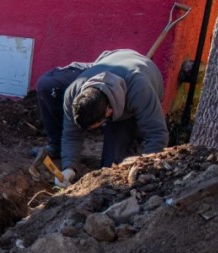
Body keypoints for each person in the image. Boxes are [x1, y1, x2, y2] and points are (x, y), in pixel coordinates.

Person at [34, 49, 169, 186]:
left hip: (141, 80)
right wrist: (69, 167)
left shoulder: (140, 91)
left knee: (112, 171)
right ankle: (57, 147)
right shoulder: (74, 91)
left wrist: (143, 168)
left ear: (108, 113)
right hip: (107, 62)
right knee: (48, 85)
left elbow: (157, 135)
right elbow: (71, 133)